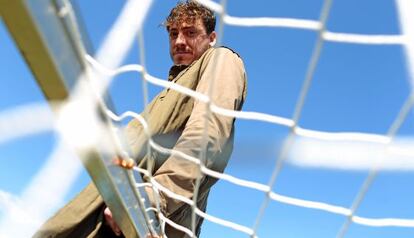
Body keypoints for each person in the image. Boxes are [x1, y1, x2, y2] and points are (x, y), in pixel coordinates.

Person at [34, 1, 247, 237]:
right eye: (173, 33)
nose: (179, 41)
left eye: (190, 32)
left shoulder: (221, 59)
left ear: (212, 37)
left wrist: (157, 195)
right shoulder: (169, 91)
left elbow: (208, 131)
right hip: (109, 209)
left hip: (150, 220)